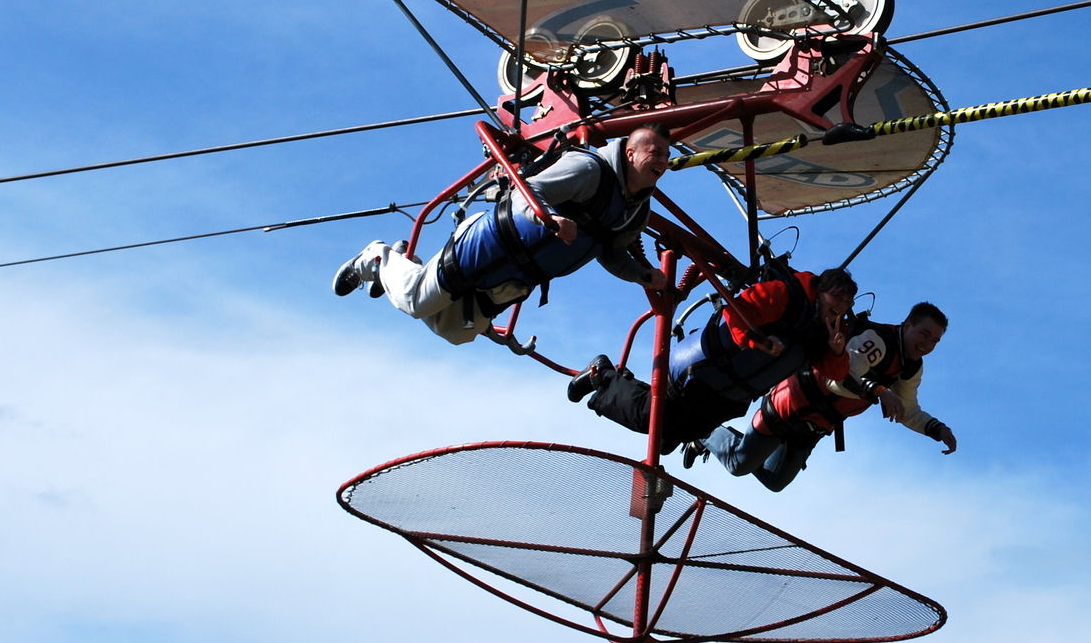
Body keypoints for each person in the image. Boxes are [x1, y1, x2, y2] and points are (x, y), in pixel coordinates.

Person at [332, 124, 671, 344]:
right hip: (489, 246)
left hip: (518, 275)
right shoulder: (589, 169)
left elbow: (610, 252)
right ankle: (377, 257)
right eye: (655, 153)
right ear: (630, 153)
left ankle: (401, 268)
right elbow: (528, 191)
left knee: (456, 331)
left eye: (667, 156)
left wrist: (641, 275)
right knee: (416, 300)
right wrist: (550, 218)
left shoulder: (636, 211)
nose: (663, 161)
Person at [567, 266, 858, 452]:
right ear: (821, 290)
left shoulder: (823, 334)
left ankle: (621, 385)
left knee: (671, 438)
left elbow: (834, 374)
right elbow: (737, 311)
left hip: (727, 397)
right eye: (837, 299)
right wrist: (759, 341)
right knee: (652, 419)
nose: (841, 308)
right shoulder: (786, 294)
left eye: (847, 304)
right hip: (703, 370)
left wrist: (836, 351)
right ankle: (601, 374)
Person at [695, 301, 955, 491]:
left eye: (935, 341)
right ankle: (701, 431)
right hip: (789, 405)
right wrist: (879, 390)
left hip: (814, 426)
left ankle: (736, 443)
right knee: (740, 464)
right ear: (907, 325)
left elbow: (907, 409)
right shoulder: (878, 341)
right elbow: (838, 377)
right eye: (924, 334)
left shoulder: (910, 367)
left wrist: (937, 429)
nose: (927, 344)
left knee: (775, 481)